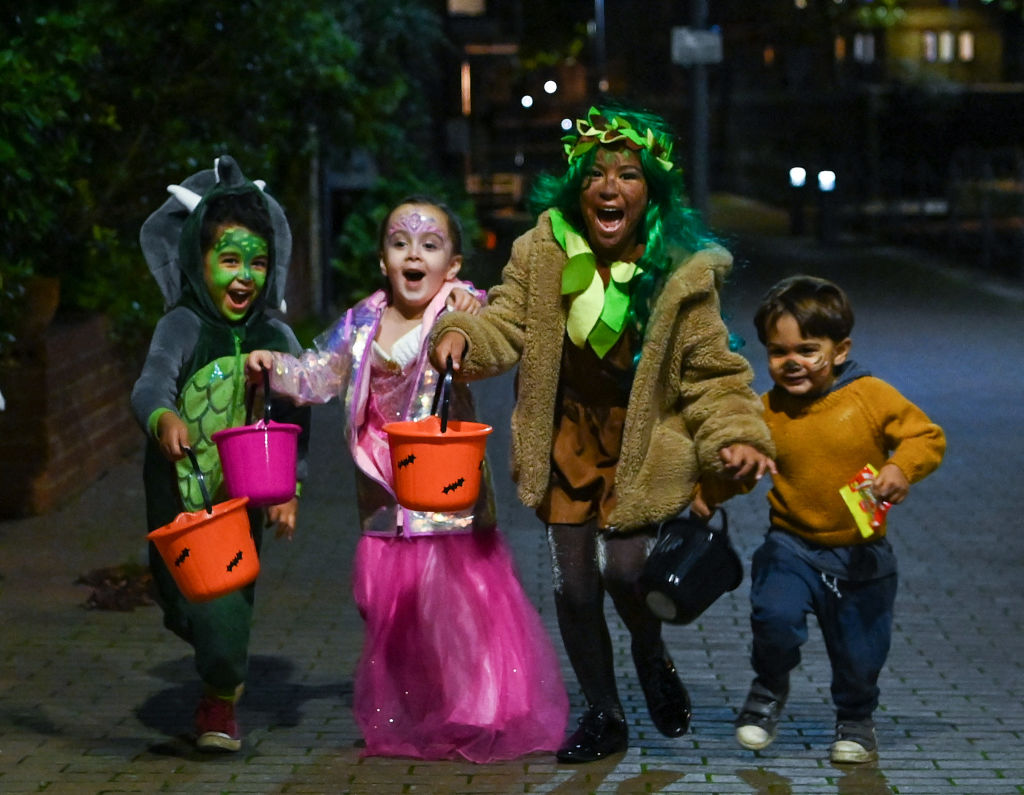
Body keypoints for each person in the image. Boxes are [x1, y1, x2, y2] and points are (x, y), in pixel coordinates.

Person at [431, 104, 775, 763]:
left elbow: (713, 368)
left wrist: (739, 433)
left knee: (627, 571)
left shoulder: (678, 268)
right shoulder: (544, 250)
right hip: (569, 435)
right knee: (573, 584)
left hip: (643, 439)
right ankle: (603, 711)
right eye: (595, 175)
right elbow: (505, 322)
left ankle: (650, 650)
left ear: (652, 189)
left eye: (627, 174)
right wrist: (463, 336)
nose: (610, 187)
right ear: (576, 187)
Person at [246, 196, 568, 762]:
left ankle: (478, 705)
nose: (413, 253)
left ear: (454, 264)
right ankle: (422, 704)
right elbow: (321, 375)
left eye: (430, 244)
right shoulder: (363, 321)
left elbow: (494, 331)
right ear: (382, 260)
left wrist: (471, 315)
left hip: (444, 488)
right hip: (383, 490)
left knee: (460, 604)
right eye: (400, 243)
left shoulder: (458, 310)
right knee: (389, 606)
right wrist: (275, 366)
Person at [131, 156, 311, 752]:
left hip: (238, 506)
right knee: (181, 604)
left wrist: (288, 490)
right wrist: (164, 417)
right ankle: (213, 655)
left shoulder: (274, 336)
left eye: (257, 262)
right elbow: (151, 383)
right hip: (174, 498)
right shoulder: (182, 327)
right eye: (229, 260)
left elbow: (294, 417)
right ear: (196, 260)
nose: (245, 277)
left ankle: (220, 702)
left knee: (224, 609)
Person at [727, 275, 945, 763]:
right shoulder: (765, 411)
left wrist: (899, 467)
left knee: (860, 652)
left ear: (840, 349)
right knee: (774, 618)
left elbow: (926, 437)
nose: (793, 363)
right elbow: (743, 472)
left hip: (861, 553)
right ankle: (768, 690)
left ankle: (855, 718)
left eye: (808, 349)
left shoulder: (870, 396)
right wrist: (714, 484)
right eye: (778, 352)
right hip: (791, 545)